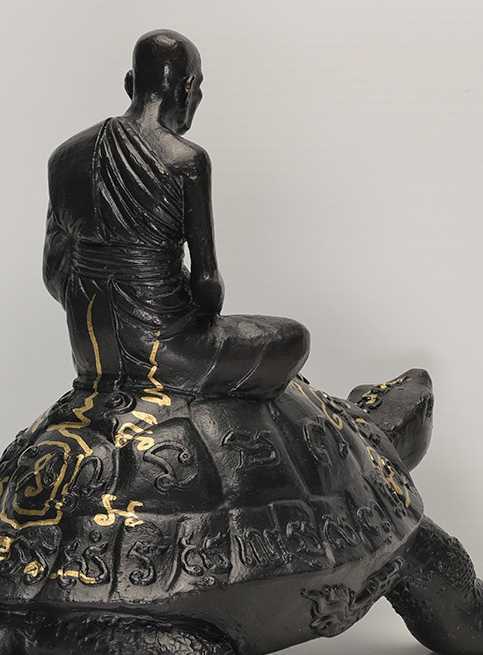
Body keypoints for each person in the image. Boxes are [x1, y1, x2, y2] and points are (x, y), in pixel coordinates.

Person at [43, 29, 309, 399]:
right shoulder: (186, 160)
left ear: (130, 83)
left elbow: (54, 273)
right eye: (197, 89)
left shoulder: (64, 156)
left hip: (91, 354)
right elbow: (207, 288)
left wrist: (105, 304)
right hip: (166, 353)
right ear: (187, 88)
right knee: (293, 337)